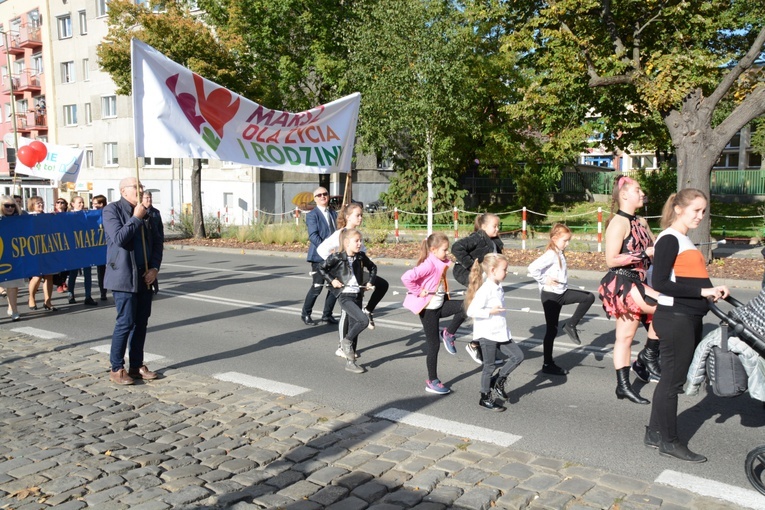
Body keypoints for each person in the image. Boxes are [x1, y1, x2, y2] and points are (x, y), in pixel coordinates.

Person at [645, 189, 729, 463]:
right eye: (696, 210)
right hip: (675, 318)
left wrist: (712, 289)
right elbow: (660, 283)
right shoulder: (670, 238)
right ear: (679, 209)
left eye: (704, 211)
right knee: (672, 382)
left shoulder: (683, 239)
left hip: (686, 317)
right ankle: (669, 442)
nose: (700, 216)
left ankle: (655, 432)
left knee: (669, 379)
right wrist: (702, 293)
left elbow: (689, 279)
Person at [598, 175, 660, 404]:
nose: (642, 194)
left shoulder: (641, 221)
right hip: (622, 281)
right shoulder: (618, 223)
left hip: (640, 282)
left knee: (625, 337)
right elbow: (611, 260)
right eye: (638, 190)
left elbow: (655, 248)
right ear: (624, 195)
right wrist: (644, 254)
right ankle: (647, 356)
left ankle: (624, 385)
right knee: (665, 306)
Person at [103, 177, 163, 385]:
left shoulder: (147, 212)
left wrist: (154, 267)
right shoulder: (112, 210)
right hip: (123, 277)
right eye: (136, 187)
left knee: (141, 324)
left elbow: (156, 243)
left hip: (144, 276)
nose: (140, 190)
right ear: (123, 191)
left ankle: (136, 365)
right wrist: (136, 217)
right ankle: (116, 368)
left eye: (141, 187)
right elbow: (120, 238)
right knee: (125, 322)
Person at [317, 203, 390, 356]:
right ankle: (342, 346)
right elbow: (321, 250)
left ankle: (368, 311)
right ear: (348, 217)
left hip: (357, 274)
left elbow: (365, 258)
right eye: (358, 215)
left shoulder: (356, 233)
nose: (361, 218)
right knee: (347, 313)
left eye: (361, 215)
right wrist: (336, 267)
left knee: (382, 284)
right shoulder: (340, 234)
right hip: (345, 278)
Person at [401, 232, 467, 395]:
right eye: (444, 250)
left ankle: (449, 333)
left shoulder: (439, 260)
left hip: (440, 305)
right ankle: (432, 380)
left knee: (467, 306)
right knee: (434, 346)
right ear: (433, 249)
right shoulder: (428, 265)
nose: (447, 253)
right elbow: (406, 277)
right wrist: (418, 291)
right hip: (429, 310)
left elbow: (447, 262)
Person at [528, 224, 595, 375]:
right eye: (565, 240)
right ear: (554, 239)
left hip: (562, 292)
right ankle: (547, 364)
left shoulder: (559, 252)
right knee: (551, 330)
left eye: (569, 240)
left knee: (588, 297)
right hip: (551, 297)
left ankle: (571, 325)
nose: (567, 243)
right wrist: (545, 280)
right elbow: (532, 268)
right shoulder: (551, 254)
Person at [465, 253, 524, 411]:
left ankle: (498, 381)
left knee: (518, 356)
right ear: (492, 270)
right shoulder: (486, 289)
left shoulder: (497, 286)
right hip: (487, 333)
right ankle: (484, 397)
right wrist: (490, 311)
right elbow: (471, 311)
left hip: (500, 332)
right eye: (504, 269)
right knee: (489, 367)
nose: (506, 272)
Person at [319, 228, 377, 374]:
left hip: (357, 295)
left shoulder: (360, 257)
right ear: (346, 243)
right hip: (344, 296)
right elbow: (322, 268)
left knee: (354, 327)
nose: (360, 244)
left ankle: (351, 362)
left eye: (360, 241)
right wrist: (332, 281)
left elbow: (373, 267)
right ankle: (345, 341)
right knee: (363, 320)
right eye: (356, 241)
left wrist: (369, 282)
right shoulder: (337, 257)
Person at [452, 213, 504, 364]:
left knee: (489, 311)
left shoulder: (493, 241)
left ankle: (485, 347)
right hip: (468, 274)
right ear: (483, 226)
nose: (497, 229)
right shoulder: (478, 237)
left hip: (485, 278)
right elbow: (457, 247)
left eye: (498, 226)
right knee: (480, 309)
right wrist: (471, 265)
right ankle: (472, 343)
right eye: (494, 226)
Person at [301, 187, 339, 326]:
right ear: (315, 198)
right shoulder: (312, 215)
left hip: (335, 256)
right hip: (319, 256)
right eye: (319, 195)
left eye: (325, 194)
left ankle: (327, 315)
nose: (323, 196)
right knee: (317, 286)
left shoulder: (334, 213)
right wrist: (327, 249)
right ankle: (306, 314)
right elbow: (313, 236)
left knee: (335, 286)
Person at [26, 196, 56, 311]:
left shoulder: (47, 216)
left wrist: (54, 218)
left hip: (47, 249)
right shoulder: (28, 217)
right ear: (32, 205)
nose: (41, 205)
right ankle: (31, 298)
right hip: (34, 250)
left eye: (42, 203)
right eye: (38, 203)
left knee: (49, 276)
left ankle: (48, 301)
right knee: (37, 276)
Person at [66, 196, 97, 306]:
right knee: (73, 272)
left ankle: (88, 296)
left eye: (83, 202)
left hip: (86, 246)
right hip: (74, 247)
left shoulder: (86, 215)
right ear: (72, 204)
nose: (81, 204)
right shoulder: (68, 216)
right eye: (79, 202)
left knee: (87, 272)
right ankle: (70, 294)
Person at [1, 196, 23, 321]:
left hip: (15, 255)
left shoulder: (22, 217)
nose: (10, 208)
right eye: (7, 205)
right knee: (10, 283)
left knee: (13, 284)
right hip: (2, 254)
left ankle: (13, 307)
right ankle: (13, 308)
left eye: (12, 205)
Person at [92, 195, 109, 301]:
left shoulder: (107, 213)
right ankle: (103, 291)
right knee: (101, 270)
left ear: (101, 204)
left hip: (109, 244)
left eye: (95, 204)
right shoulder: (92, 214)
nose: (93, 206)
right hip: (98, 245)